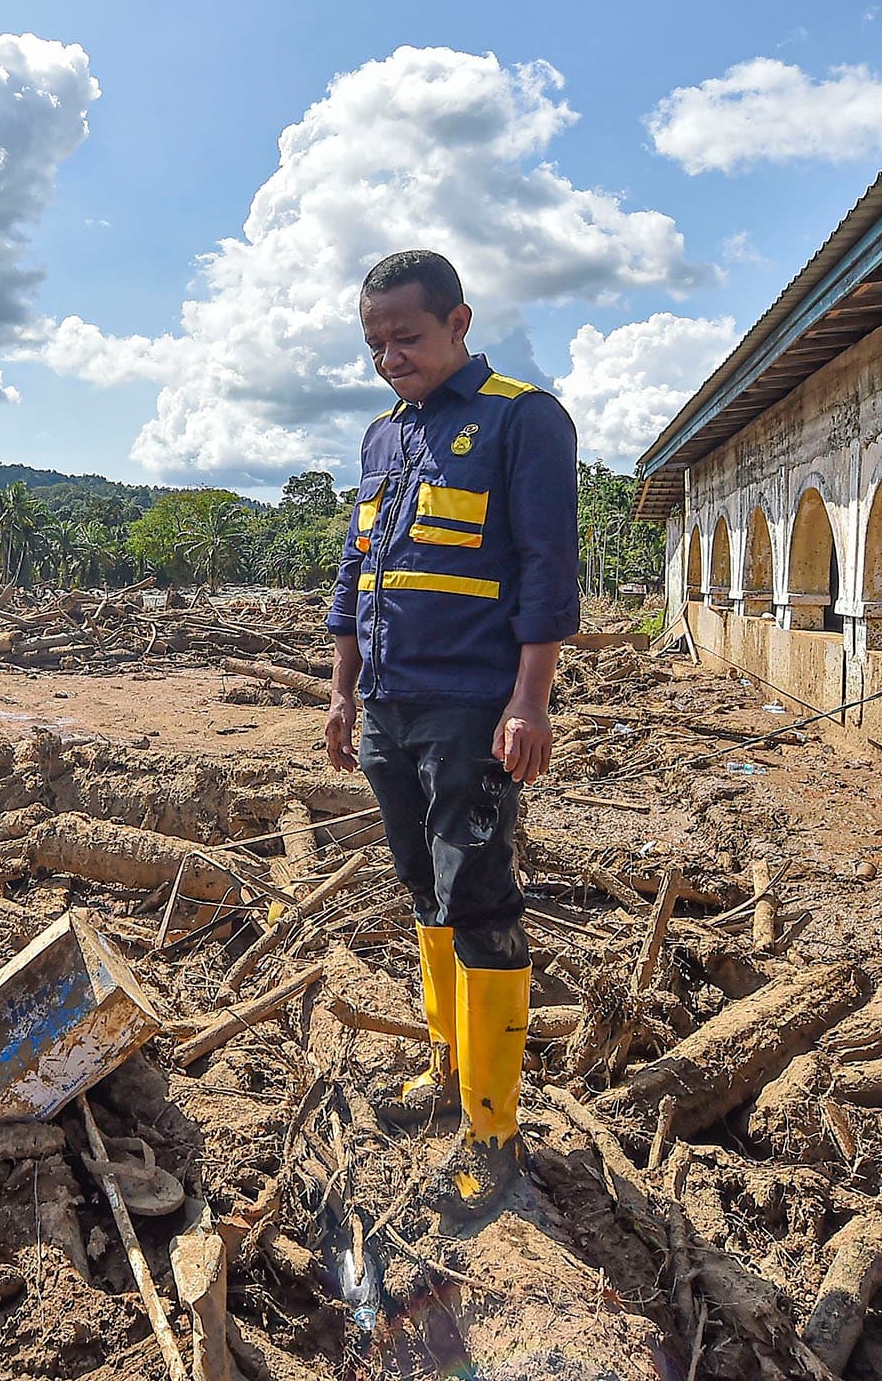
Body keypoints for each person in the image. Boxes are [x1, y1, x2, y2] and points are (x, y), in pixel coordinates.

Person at [324, 248, 579, 1217]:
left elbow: (548, 570)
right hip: (387, 705)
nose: (391, 356)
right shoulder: (382, 440)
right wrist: (343, 695)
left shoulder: (521, 418)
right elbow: (356, 579)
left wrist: (530, 701)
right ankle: (444, 1069)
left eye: (408, 336)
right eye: (375, 342)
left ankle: (492, 1127)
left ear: (459, 321)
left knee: (478, 897)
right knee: (424, 890)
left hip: (474, 706)